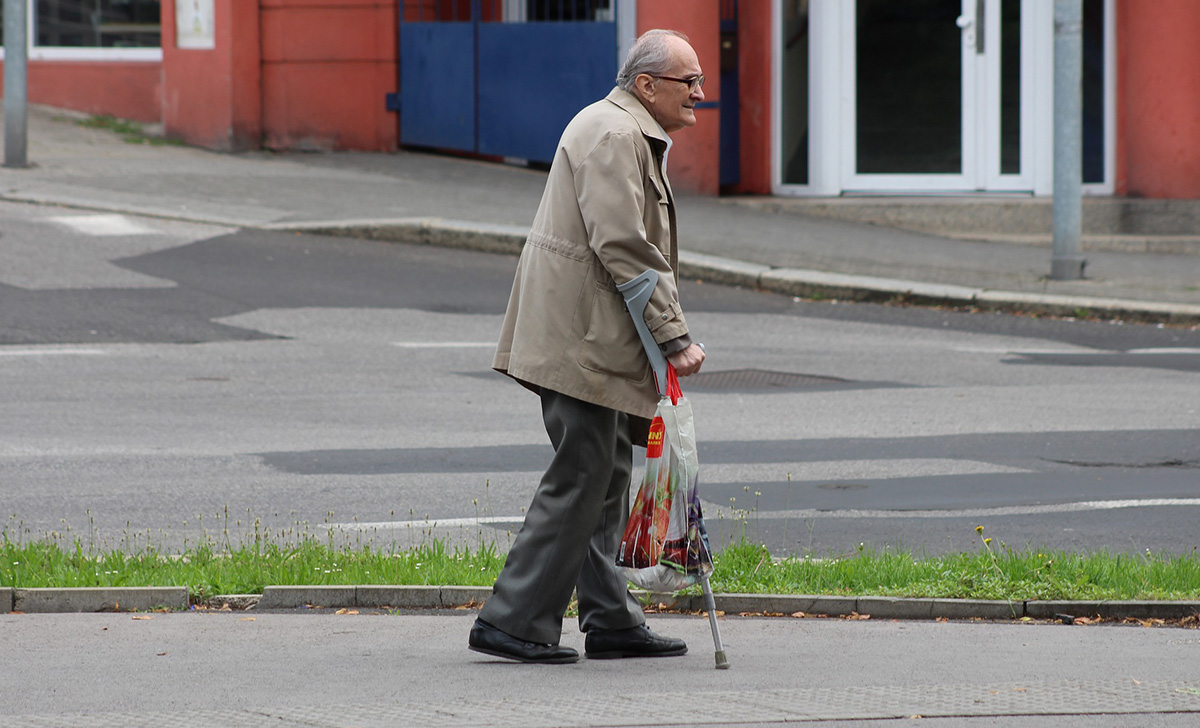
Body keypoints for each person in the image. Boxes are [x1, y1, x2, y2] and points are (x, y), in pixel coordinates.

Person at [468, 29, 708, 664]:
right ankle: (514, 618)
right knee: (584, 470)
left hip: (591, 335)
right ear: (647, 84)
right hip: (578, 337)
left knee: (606, 472)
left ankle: (610, 619)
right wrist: (674, 335)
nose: (700, 95)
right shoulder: (613, 133)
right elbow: (623, 244)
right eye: (690, 82)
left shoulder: (627, 130)